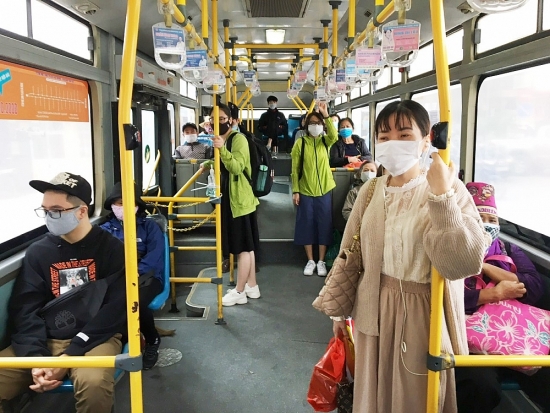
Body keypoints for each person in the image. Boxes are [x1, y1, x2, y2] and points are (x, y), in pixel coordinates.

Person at [327, 100, 489, 413]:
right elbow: (350, 253)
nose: (393, 143)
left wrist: (442, 197)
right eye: (384, 136)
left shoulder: (449, 188)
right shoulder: (370, 191)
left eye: (404, 135)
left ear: (426, 140)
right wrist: (339, 313)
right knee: (374, 393)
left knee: (418, 395)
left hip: (425, 310)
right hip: (374, 305)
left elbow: (465, 262)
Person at [0, 172, 127, 413]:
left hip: (95, 337)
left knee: (93, 385)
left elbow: (115, 308)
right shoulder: (39, 252)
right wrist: (38, 360)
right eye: (45, 210)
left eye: (57, 210)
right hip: (46, 337)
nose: (49, 217)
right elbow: (25, 308)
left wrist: (70, 355)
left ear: (81, 211)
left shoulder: (112, 249)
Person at [455, 182, 549, 413]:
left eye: (492, 220)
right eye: (480, 218)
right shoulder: (451, 252)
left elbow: (534, 287)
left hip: (517, 336)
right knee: (480, 386)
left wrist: (485, 267)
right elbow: (444, 296)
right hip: (468, 340)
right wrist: (493, 294)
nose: (487, 225)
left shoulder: (508, 250)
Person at [100, 182, 165, 370]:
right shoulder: (105, 230)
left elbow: (155, 256)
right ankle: (126, 338)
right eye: (119, 203)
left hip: (148, 276)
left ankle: (152, 339)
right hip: (117, 277)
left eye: (128, 203)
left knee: (135, 300)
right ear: (112, 205)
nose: (123, 207)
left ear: (137, 206)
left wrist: (137, 270)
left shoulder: (149, 227)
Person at [210, 103, 260, 306]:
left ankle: (239, 291)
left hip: (239, 200)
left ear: (230, 120)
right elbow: (223, 165)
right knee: (247, 246)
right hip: (235, 199)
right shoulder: (222, 139)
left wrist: (221, 149)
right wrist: (208, 163)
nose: (217, 123)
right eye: (213, 120)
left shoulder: (237, 139)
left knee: (242, 249)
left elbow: (237, 167)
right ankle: (252, 286)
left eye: (221, 119)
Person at [291, 102, 338, 277]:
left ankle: (321, 261)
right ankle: (310, 260)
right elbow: (295, 169)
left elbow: (334, 135)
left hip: (325, 189)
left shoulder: (325, 142)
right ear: (306, 125)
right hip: (305, 190)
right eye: (312, 123)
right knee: (306, 225)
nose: (315, 126)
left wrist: (326, 115)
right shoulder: (300, 143)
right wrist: (296, 190)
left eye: (318, 123)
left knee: (324, 225)